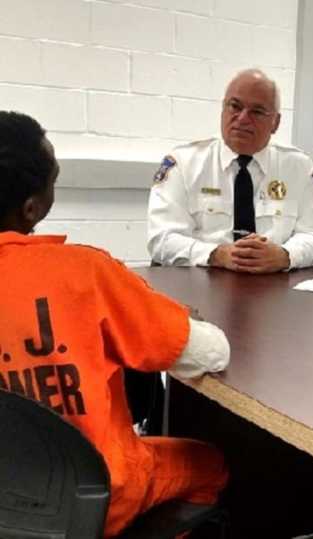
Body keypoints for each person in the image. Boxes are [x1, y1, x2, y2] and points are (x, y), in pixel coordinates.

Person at [0, 111, 231, 536]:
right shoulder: (83, 272)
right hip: (94, 493)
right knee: (210, 465)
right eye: (54, 177)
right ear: (32, 207)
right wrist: (183, 320)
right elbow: (208, 353)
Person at [147, 68, 313, 272]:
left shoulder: (299, 168)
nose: (242, 118)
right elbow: (161, 239)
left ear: (275, 122)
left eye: (257, 111)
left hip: (273, 288)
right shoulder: (183, 163)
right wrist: (216, 254)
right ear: (223, 110)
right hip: (201, 284)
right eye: (235, 106)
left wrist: (285, 255)